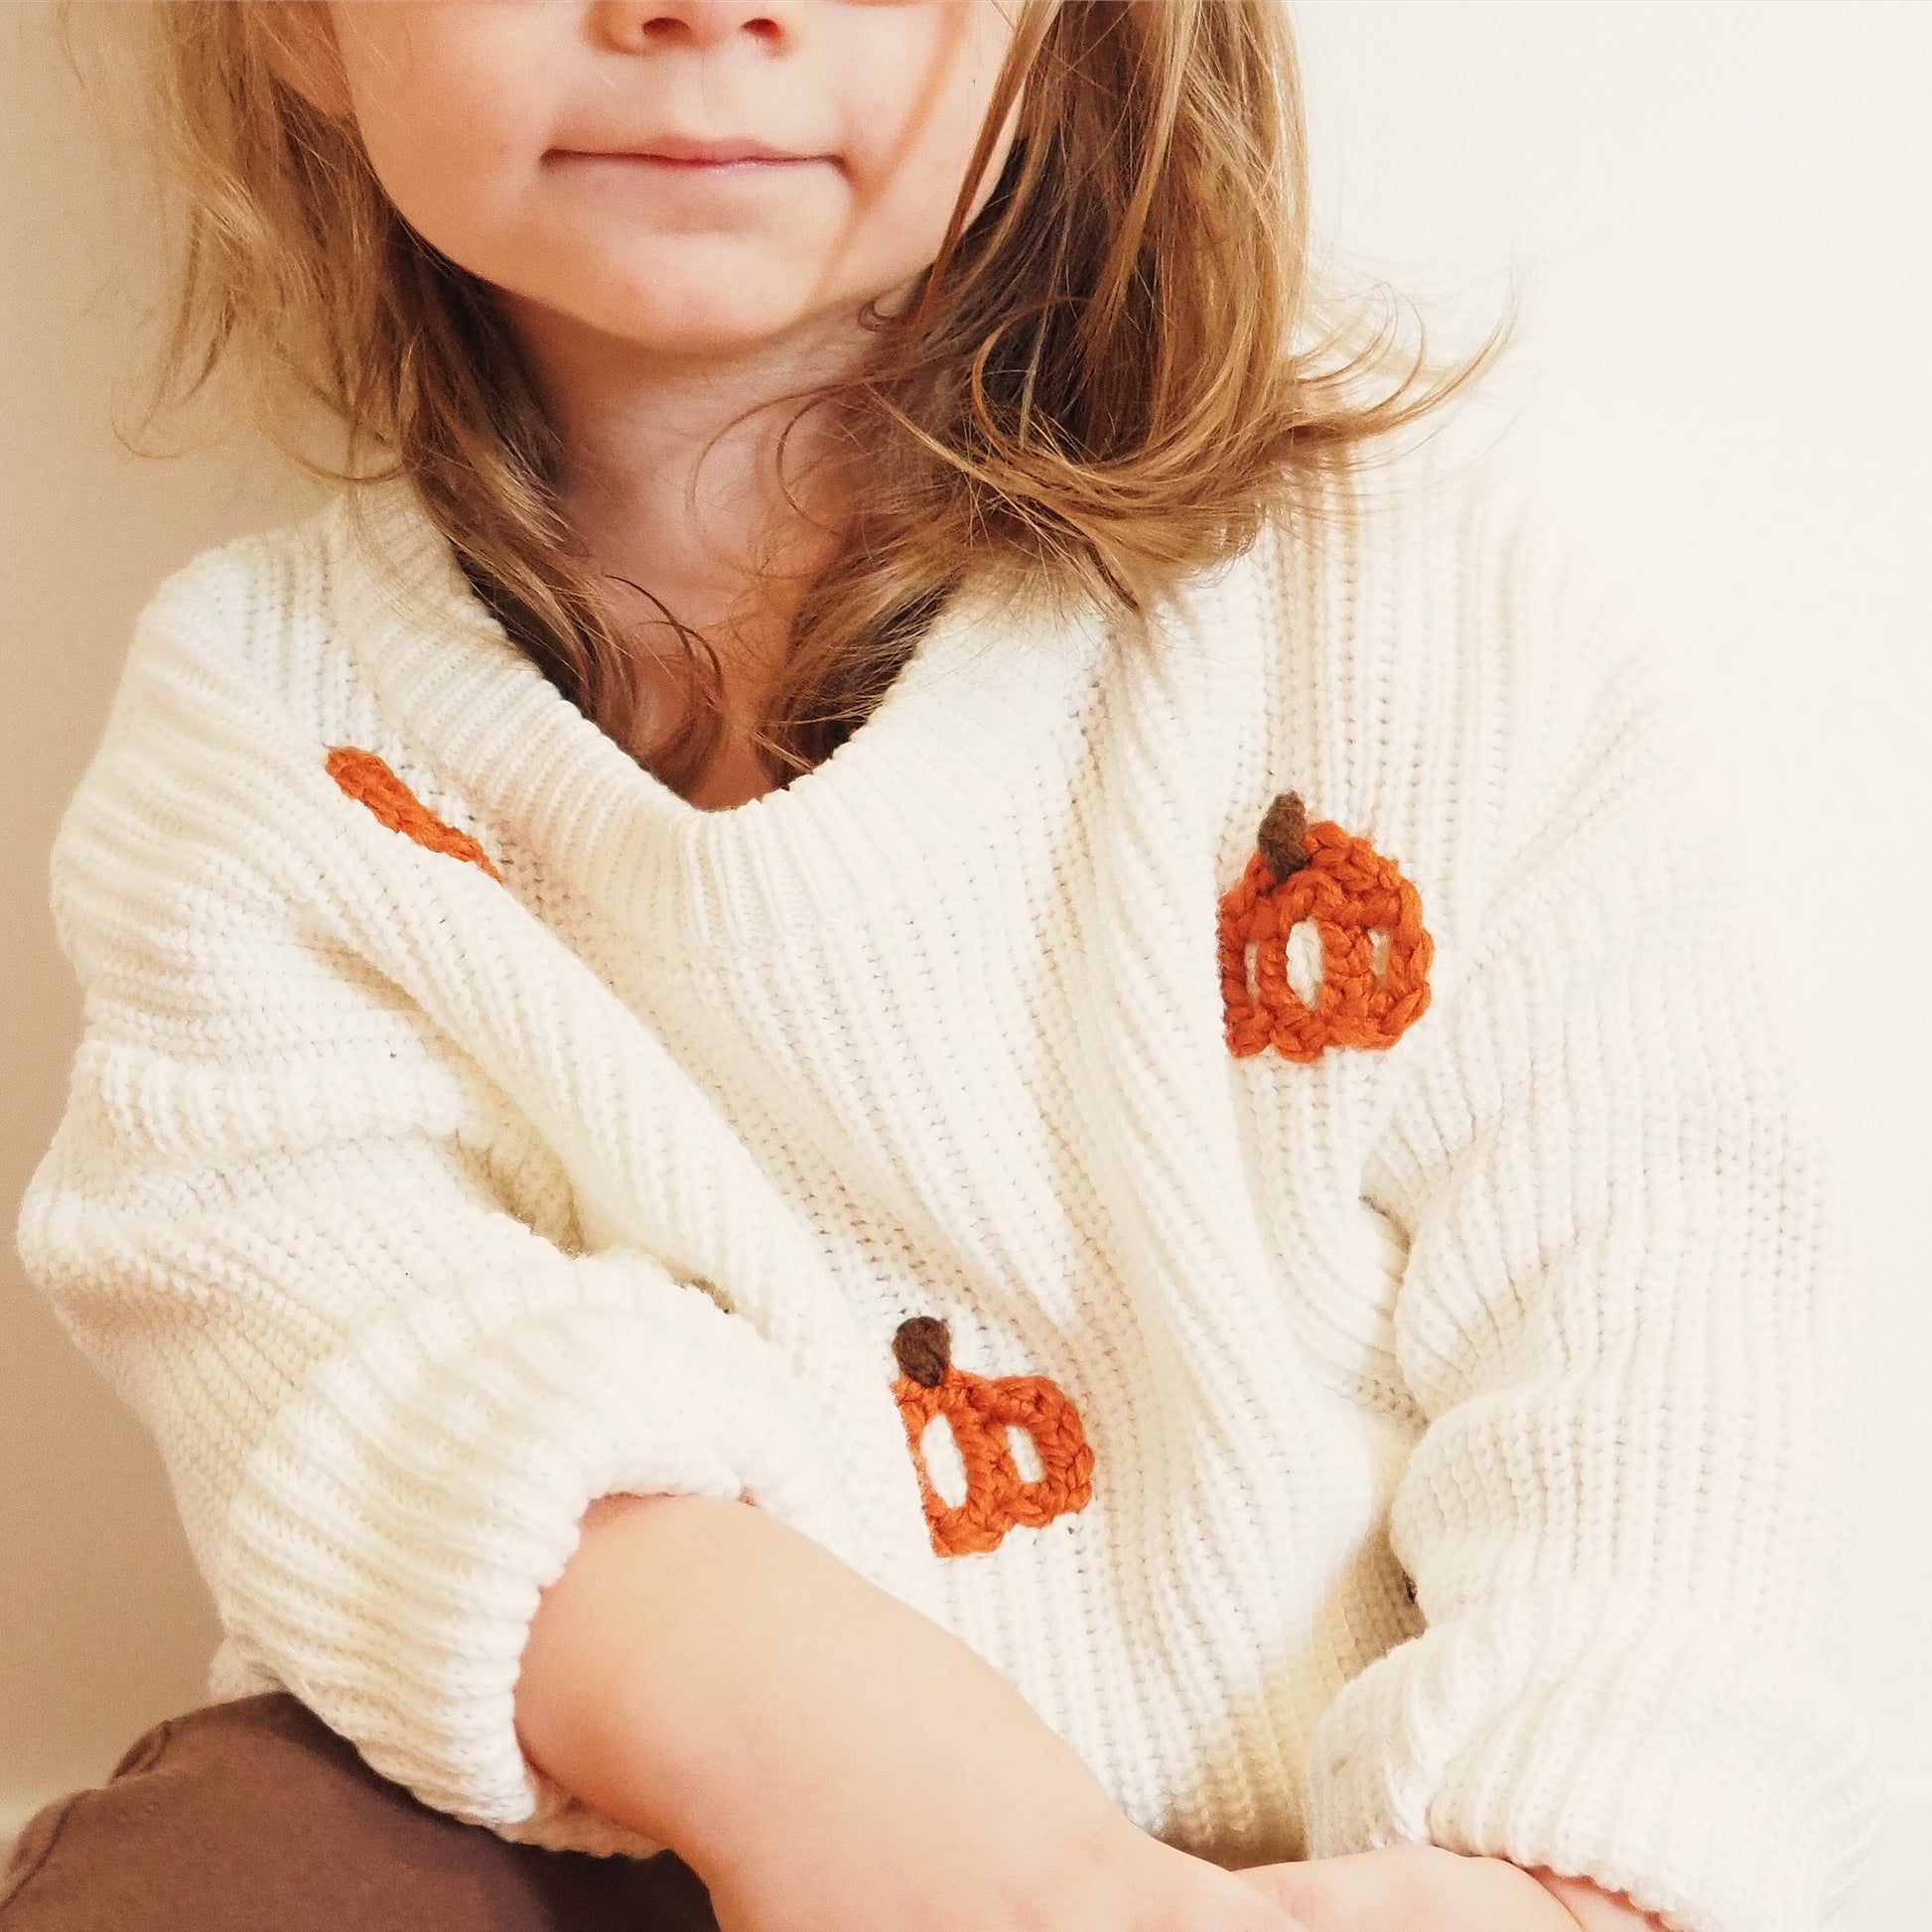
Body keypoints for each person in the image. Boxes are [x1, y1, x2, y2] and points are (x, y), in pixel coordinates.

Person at [3, 4, 1880, 1931]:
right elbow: (338, 1352)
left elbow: (1649, 1378)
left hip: (1340, 1871)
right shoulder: (268, 734)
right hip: (629, 1828)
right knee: (221, 1864)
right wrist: (852, 1771)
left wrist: (1483, 1890)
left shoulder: (1406, 623)